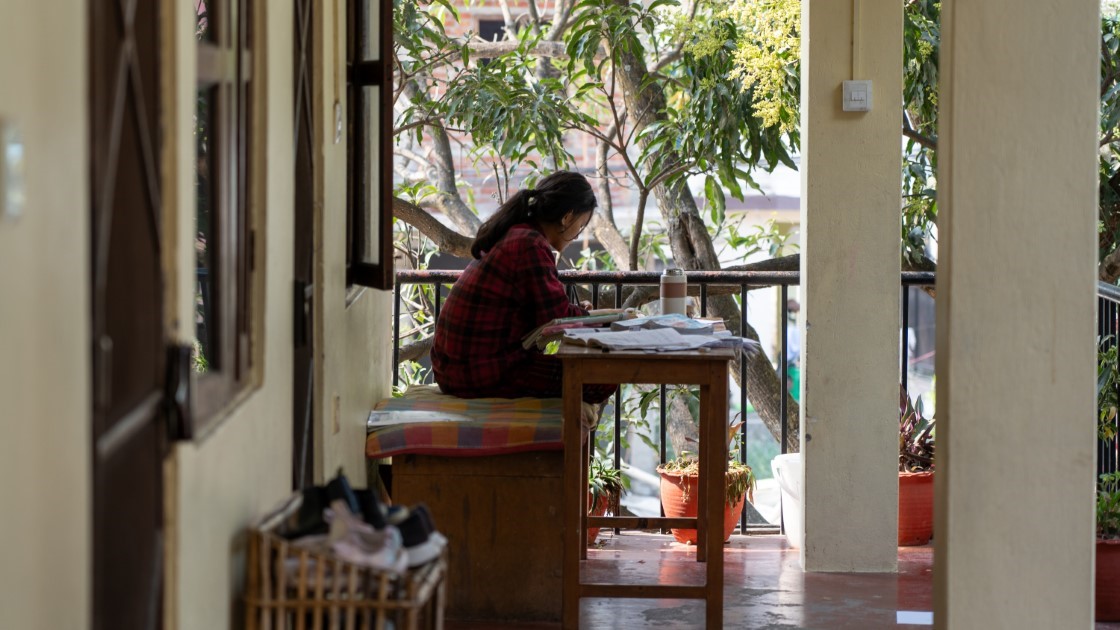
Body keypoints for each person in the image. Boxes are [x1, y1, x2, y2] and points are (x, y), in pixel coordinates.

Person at [431, 171, 616, 403]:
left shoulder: (517, 233)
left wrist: (584, 315)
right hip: (478, 372)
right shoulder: (530, 244)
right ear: (567, 217)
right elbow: (556, 318)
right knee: (602, 377)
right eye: (580, 226)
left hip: (454, 367)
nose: (577, 235)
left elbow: (541, 310)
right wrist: (608, 317)